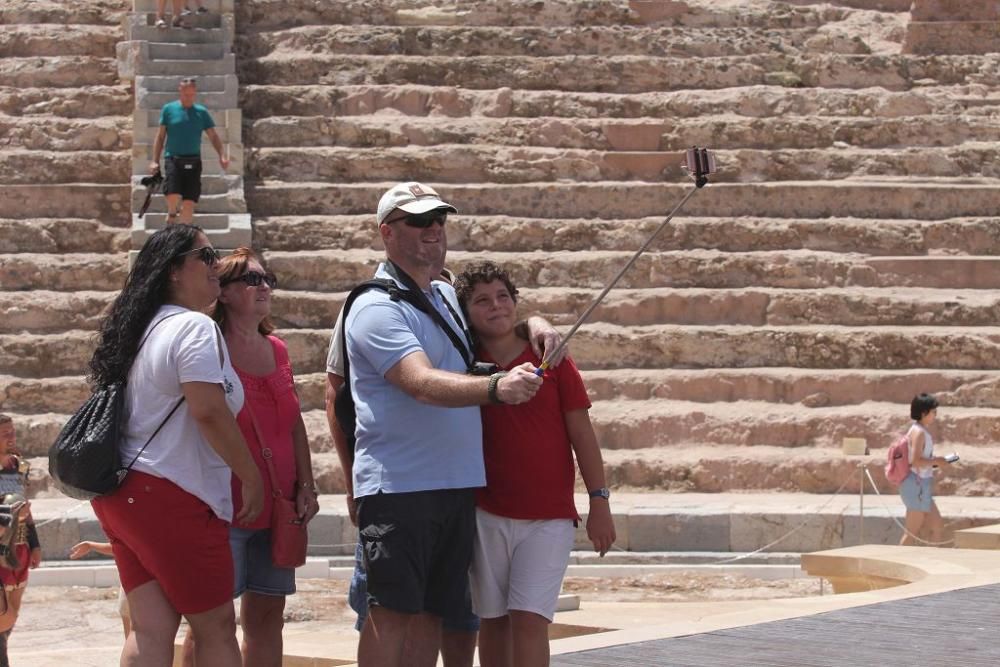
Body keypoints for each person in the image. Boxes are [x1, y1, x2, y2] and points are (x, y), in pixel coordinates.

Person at [343, 181, 555, 667]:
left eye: (438, 219)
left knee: (433, 615)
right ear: (386, 233)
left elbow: (494, 314)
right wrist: (494, 389)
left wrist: (536, 322)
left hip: (456, 483)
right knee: (391, 614)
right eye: (418, 221)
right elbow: (417, 381)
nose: (433, 230)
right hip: (402, 486)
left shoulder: (441, 293)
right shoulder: (376, 307)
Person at [87, 223, 264, 667]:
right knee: (218, 630)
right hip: (173, 494)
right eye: (205, 257)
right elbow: (209, 410)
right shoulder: (194, 328)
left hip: (123, 495)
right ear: (172, 271)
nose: (217, 266)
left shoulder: (140, 330)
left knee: (151, 629)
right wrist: (251, 476)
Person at [454, 261, 616, 667]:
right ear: (467, 312)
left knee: (530, 619)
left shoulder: (553, 357)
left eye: (503, 297)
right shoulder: (463, 361)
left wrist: (600, 501)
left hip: (549, 516)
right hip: (486, 510)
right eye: (482, 301)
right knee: (492, 620)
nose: (496, 307)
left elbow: (582, 434)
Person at [211, 247, 320, 665]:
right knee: (213, 624)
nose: (263, 287)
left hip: (279, 505)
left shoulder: (277, 349)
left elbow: (294, 422)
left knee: (268, 616)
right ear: (223, 293)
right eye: (251, 280)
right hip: (228, 505)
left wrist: (306, 486)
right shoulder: (210, 347)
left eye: (266, 279)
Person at [149, 77, 229, 224]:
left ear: (195, 93)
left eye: (192, 94)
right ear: (180, 91)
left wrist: (222, 155)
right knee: (172, 192)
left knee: (189, 201)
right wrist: (154, 161)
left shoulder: (201, 112)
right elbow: (160, 137)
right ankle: (172, 213)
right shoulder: (168, 109)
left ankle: (183, 233)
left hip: (193, 160)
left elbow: (213, 136)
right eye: (186, 94)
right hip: (173, 158)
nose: (189, 97)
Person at [0, 415, 39, 667]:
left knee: (13, 614)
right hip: (1, 545)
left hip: (21, 546)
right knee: (4, 615)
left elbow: (26, 506)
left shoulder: (19, 466)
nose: (11, 436)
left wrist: (35, 544)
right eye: (5, 433)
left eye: (12, 432)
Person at [899, 393, 952, 547]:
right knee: (911, 532)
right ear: (924, 413)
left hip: (921, 485)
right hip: (917, 486)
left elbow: (921, 460)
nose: (935, 415)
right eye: (933, 412)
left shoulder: (918, 430)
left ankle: (932, 561)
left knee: (937, 526)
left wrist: (938, 462)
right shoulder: (919, 432)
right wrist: (936, 461)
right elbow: (915, 461)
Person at [69, 541, 131, 638]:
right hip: (133, 589)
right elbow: (119, 547)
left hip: (134, 589)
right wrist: (91, 546)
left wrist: (91, 546)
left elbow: (119, 547)